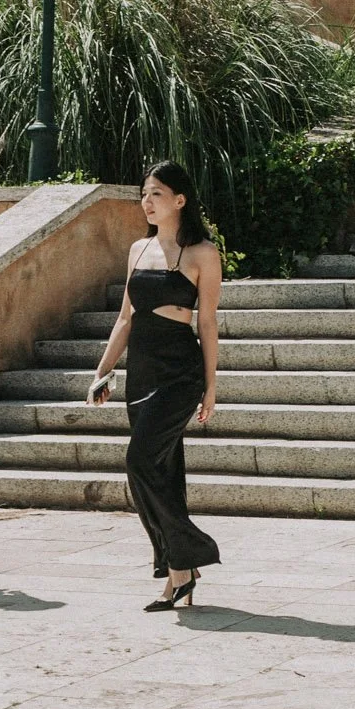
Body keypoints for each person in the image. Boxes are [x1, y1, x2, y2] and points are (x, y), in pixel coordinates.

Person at [86, 162, 221, 611]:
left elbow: (207, 323)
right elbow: (125, 318)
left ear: (180, 200)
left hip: (179, 371)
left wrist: (211, 387)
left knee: (138, 461)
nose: (147, 201)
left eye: (157, 193)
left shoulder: (202, 253)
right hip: (141, 370)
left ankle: (189, 553)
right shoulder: (137, 250)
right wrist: (103, 370)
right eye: (144, 194)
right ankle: (179, 571)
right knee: (160, 470)